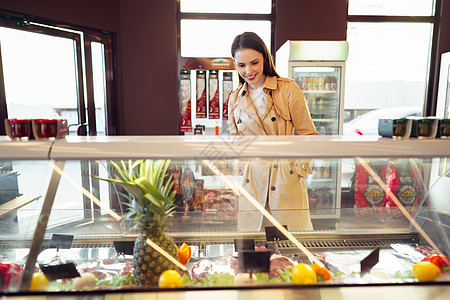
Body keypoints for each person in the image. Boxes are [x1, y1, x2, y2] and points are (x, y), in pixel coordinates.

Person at [228, 32, 319, 232]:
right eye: (241, 65)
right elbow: (236, 143)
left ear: (265, 59)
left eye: (254, 63)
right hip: (254, 180)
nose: (248, 71)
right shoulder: (235, 99)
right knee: (254, 251)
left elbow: (310, 136)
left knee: (290, 249)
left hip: (284, 178)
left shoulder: (287, 89)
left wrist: (296, 171)